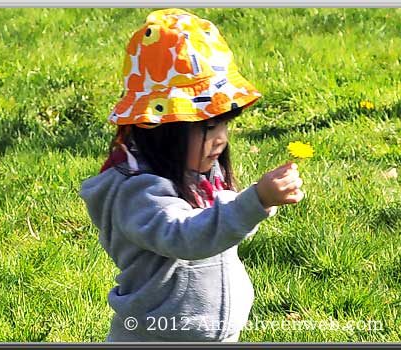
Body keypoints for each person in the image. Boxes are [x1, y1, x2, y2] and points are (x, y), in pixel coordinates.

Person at [79, 8, 304, 342]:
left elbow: (220, 233)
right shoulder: (138, 191)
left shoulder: (197, 173)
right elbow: (186, 238)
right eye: (210, 127)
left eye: (225, 123)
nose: (222, 138)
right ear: (165, 128)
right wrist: (254, 201)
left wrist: (252, 205)